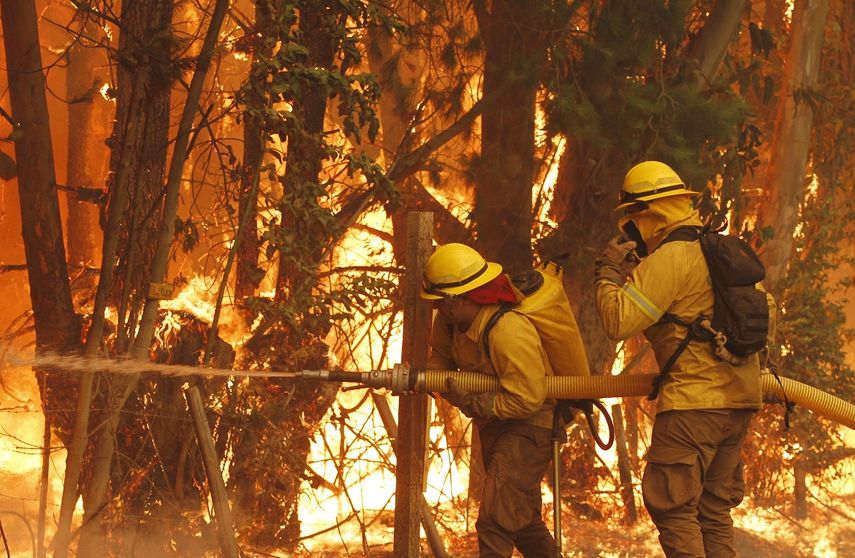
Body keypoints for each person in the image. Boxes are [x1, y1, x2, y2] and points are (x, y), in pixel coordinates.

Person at [593, 160, 774, 558]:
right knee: (713, 512)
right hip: (740, 401)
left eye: (631, 218)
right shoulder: (720, 251)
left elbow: (618, 321)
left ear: (648, 213)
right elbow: (768, 313)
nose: (630, 229)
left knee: (673, 508)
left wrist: (607, 272)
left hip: (693, 406)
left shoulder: (670, 258)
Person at [421, 242, 588, 558]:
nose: (437, 308)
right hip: (497, 423)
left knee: (496, 518)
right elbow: (441, 358)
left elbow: (528, 398)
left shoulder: (507, 330)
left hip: (532, 424)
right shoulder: (449, 323)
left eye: (440, 302)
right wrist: (424, 377)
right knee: (522, 522)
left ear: (458, 299)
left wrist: (476, 404)